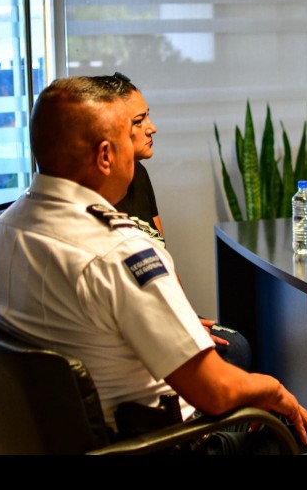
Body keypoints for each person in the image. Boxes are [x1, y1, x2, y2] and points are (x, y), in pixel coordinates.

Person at [0, 76, 307, 455]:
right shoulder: (120, 251)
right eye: (127, 136)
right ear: (105, 155)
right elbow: (215, 391)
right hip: (160, 443)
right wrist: (275, 391)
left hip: (63, 440)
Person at [104, 72, 250, 370]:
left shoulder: (139, 175)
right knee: (233, 350)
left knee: (234, 343)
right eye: (139, 121)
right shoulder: (98, 198)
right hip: (141, 327)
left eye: (148, 116)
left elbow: (164, 261)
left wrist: (186, 315)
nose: (152, 128)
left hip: (166, 313)